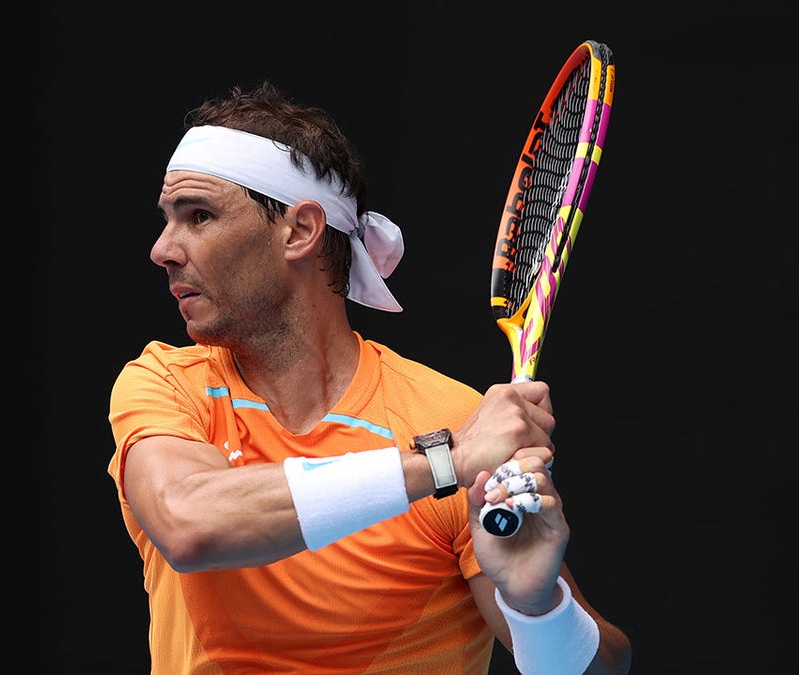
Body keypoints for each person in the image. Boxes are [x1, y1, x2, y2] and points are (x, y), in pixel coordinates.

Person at [107, 80, 632, 674]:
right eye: (168, 219)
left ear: (300, 231)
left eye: (198, 215)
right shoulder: (165, 383)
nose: (162, 249)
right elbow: (190, 524)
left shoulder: (451, 419)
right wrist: (443, 463)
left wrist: (539, 608)